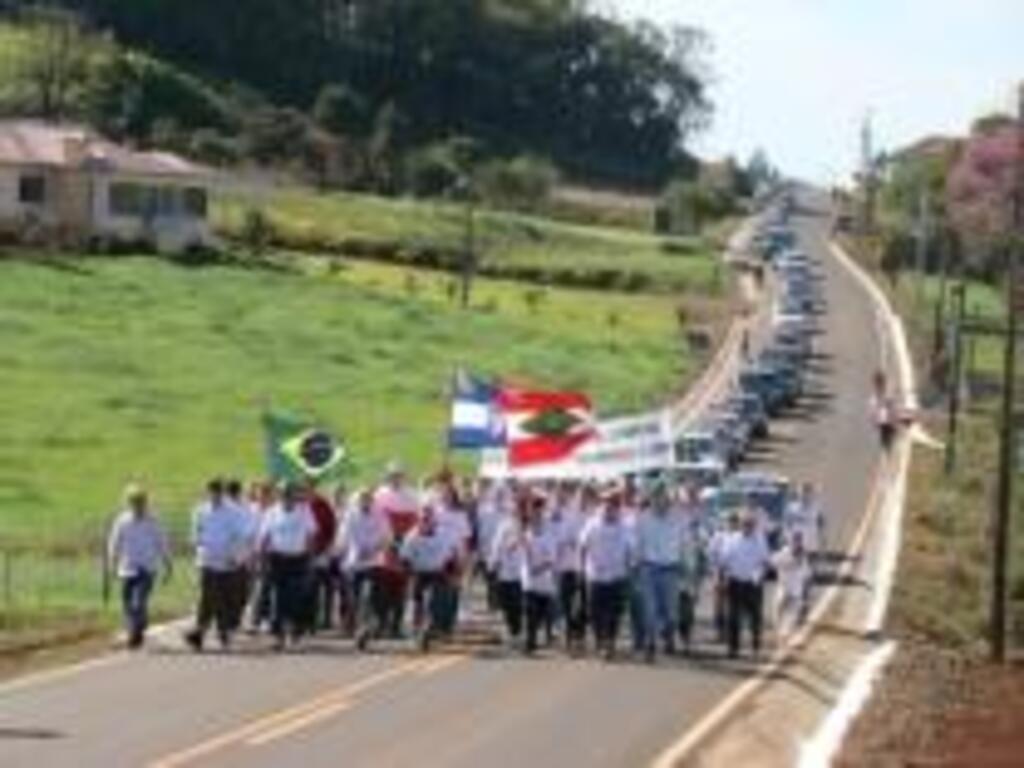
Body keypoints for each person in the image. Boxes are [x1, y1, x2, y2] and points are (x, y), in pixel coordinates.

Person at [106, 484, 173, 649]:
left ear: (145, 502)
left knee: (138, 602)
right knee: (128, 604)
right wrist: (112, 564)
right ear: (128, 503)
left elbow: (162, 543)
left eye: (140, 501)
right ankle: (138, 626)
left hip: (147, 569)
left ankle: (134, 635)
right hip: (127, 568)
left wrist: (168, 565)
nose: (138, 504)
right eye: (134, 501)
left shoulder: (153, 521)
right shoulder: (122, 521)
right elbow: (114, 543)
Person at [185, 478, 248, 652]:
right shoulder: (200, 511)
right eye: (211, 492)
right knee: (208, 597)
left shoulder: (233, 512)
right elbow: (195, 533)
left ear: (222, 493)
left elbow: (241, 534)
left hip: (226, 562)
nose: (214, 495)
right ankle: (209, 632)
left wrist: (236, 556)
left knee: (221, 599)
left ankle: (208, 632)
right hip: (207, 561)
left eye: (217, 492)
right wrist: (198, 549)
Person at [260, 482, 317, 651]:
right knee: (278, 598)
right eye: (284, 495)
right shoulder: (272, 512)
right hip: (277, 559)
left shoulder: (304, 511)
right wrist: (262, 558)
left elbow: (310, 535)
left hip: (298, 559)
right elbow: (265, 536)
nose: (287, 498)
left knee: (295, 598)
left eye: (289, 495)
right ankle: (278, 637)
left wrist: (310, 559)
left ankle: (295, 636)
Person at [632, 482, 685, 662]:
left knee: (670, 611)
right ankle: (650, 644)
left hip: (670, 569)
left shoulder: (677, 518)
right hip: (649, 568)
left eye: (662, 496)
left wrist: (685, 565)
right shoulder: (643, 518)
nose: (659, 499)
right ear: (652, 498)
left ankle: (668, 634)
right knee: (650, 609)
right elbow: (638, 545)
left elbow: (684, 543)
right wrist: (636, 567)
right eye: (656, 496)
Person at [579, 486, 633, 661]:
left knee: (614, 612)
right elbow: (583, 545)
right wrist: (582, 568)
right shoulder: (592, 523)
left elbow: (630, 549)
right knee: (595, 612)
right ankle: (600, 639)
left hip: (616, 576)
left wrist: (629, 567)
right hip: (595, 575)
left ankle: (609, 642)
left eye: (614, 504)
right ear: (603, 504)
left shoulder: (624, 526)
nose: (610, 507)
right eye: (607, 503)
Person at [401, 505, 460, 652]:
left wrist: (452, 570)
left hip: (437, 572)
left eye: (428, 519)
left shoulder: (443, 535)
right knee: (417, 601)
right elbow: (405, 557)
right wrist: (408, 571)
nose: (425, 523)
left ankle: (434, 627)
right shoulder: (412, 536)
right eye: (422, 520)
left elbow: (451, 555)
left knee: (435, 600)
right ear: (419, 521)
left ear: (433, 521)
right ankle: (416, 629)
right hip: (419, 572)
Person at [338, 488, 392, 651]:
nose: (365, 502)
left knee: (367, 596)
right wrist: (345, 551)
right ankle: (360, 628)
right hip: (354, 564)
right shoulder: (350, 515)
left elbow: (387, 537)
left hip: (373, 563)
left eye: (368, 499)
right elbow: (343, 538)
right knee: (354, 599)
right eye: (362, 499)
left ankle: (366, 627)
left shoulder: (379, 515)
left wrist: (375, 548)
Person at [372, 462, 420, 637]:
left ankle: (396, 625)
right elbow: (376, 520)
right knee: (383, 587)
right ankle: (381, 623)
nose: (395, 479)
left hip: (404, 544)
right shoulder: (380, 494)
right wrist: (385, 539)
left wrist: (407, 541)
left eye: (398, 475)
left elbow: (416, 521)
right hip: (386, 544)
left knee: (400, 588)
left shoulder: (412, 495)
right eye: (392, 475)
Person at [720, 509, 772, 659]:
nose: (747, 527)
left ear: (754, 525)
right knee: (733, 617)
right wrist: (723, 575)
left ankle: (755, 646)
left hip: (753, 584)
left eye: (750, 524)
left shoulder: (760, 540)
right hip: (735, 582)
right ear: (740, 525)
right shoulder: (732, 539)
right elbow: (724, 560)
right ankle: (733, 648)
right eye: (744, 524)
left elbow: (765, 561)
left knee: (755, 617)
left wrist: (759, 575)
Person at [553, 483, 588, 653]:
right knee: (564, 603)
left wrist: (574, 542)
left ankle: (578, 634)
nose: (561, 498)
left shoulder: (582, 516)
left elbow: (580, 540)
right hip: (561, 567)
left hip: (581, 567)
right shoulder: (554, 516)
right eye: (558, 495)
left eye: (564, 494)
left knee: (581, 604)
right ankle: (568, 636)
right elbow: (554, 540)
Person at [489, 494, 528, 648]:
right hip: (505, 570)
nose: (516, 511)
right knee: (505, 603)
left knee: (517, 604)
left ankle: (517, 633)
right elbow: (496, 545)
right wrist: (493, 563)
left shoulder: (528, 525)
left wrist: (519, 540)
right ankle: (512, 630)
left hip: (521, 571)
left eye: (519, 508)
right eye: (514, 508)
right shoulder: (504, 525)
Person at [521, 498, 558, 655]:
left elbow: (551, 559)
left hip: (544, 580)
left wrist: (538, 568)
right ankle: (530, 642)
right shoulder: (525, 533)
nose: (535, 515)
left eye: (538, 512)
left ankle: (547, 631)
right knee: (530, 611)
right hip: (528, 580)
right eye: (532, 512)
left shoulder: (548, 534)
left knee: (541, 613)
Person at [771, 530, 812, 642]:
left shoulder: (803, 556)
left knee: (792, 614)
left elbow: (807, 575)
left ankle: (786, 634)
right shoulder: (784, 552)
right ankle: (779, 630)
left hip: (796, 590)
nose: (796, 543)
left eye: (798, 540)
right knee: (778, 607)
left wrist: (806, 594)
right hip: (783, 587)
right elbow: (773, 562)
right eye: (794, 540)